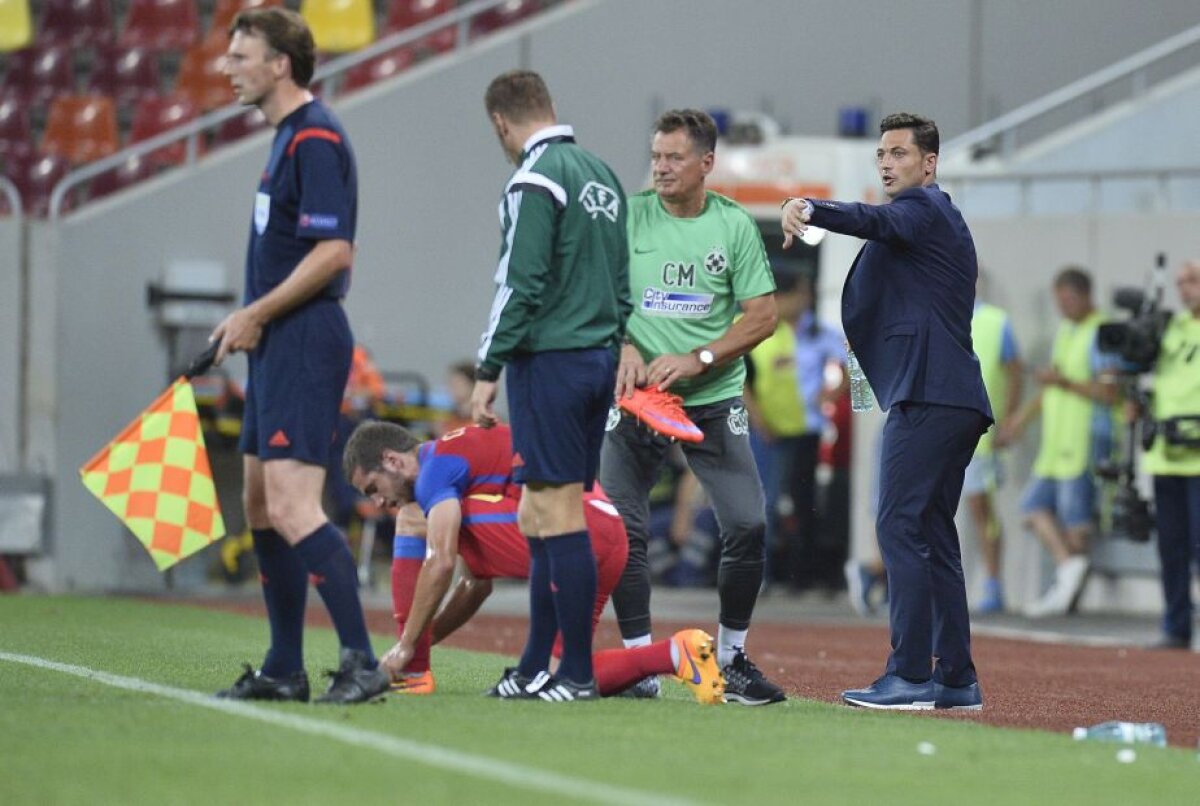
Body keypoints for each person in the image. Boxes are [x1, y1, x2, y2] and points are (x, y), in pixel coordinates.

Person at [782, 112, 992, 711]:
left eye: (899, 153)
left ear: (929, 163)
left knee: (899, 525)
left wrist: (812, 207)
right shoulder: (928, 219)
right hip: (950, 396)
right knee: (932, 533)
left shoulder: (922, 208)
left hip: (929, 394)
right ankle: (955, 677)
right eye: (881, 154)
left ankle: (910, 674)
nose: (886, 163)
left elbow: (872, 220)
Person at [210, 8, 388, 704]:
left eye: (240, 56)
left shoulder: (314, 136)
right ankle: (284, 668)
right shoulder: (287, 136)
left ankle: (362, 661)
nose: (227, 68)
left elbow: (335, 251)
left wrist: (255, 312)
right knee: (259, 504)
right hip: (277, 342)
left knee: (291, 504)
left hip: (305, 339)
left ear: (279, 64)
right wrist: (251, 320)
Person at [602, 109, 786, 706]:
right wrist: (623, 344)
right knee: (623, 528)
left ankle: (731, 660)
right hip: (638, 400)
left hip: (711, 399)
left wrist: (700, 358)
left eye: (674, 157)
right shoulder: (627, 217)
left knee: (748, 523)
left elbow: (763, 316)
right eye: (656, 156)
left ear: (706, 162)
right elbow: (589, 294)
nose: (660, 167)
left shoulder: (732, 226)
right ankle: (639, 664)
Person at [341, 419, 724, 702]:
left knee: (410, 516)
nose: (378, 502)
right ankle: (676, 652)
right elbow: (475, 585)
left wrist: (407, 646)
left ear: (393, 460)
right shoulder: (462, 461)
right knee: (562, 674)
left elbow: (441, 562)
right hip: (608, 536)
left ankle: (412, 671)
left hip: (573, 528)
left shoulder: (434, 471)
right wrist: (424, 638)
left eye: (373, 488)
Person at [469, 70, 630, 701]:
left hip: (551, 362)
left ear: (500, 123)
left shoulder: (533, 178)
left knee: (558, 512)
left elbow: (520, 283)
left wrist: (487, 369)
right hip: (597, 359)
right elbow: (622, 281)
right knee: (537, 511)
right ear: (550, 106)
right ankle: (535, 664)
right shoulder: (602, 174)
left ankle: (577, 671)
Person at [997, 267, 1119, 618]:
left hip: (1086, 440)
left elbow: (1110, 392)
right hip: (1056, 444)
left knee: (1075, 521)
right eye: (1058, 301)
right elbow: (1051, 385)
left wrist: (1064, 382)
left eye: (1068, 300)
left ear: (1086, 295)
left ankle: (1068, 595)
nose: (1063, 307)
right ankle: (1068, 572)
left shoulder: (1102, 332)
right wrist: (1019, 420)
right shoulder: (1066, 330)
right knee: (1032, 506)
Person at [1138, 259, 1200, 650]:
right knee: (1172, 547)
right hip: (1165, 454)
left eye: (1192, 280)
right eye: (1179, 282)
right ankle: (1176, 626)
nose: (1184, 288)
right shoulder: (1169, 328)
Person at [963, 270, 1024, 613]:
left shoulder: (996, 321)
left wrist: (1010, 420)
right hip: (949, 431)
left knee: (980, 508)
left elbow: (1016, 371)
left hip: (981, 435)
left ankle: (993, 582)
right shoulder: (941, 314)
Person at [744, 270, 808, 590]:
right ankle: (756, 572)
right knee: (761, 501)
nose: (806, 301)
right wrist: (759, 421)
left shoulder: (787, 331)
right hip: (762, 433)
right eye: (801, 293)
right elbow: (740, 381)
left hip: (792, 432)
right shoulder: (749, 328)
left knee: (780, 502)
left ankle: (772, 572)